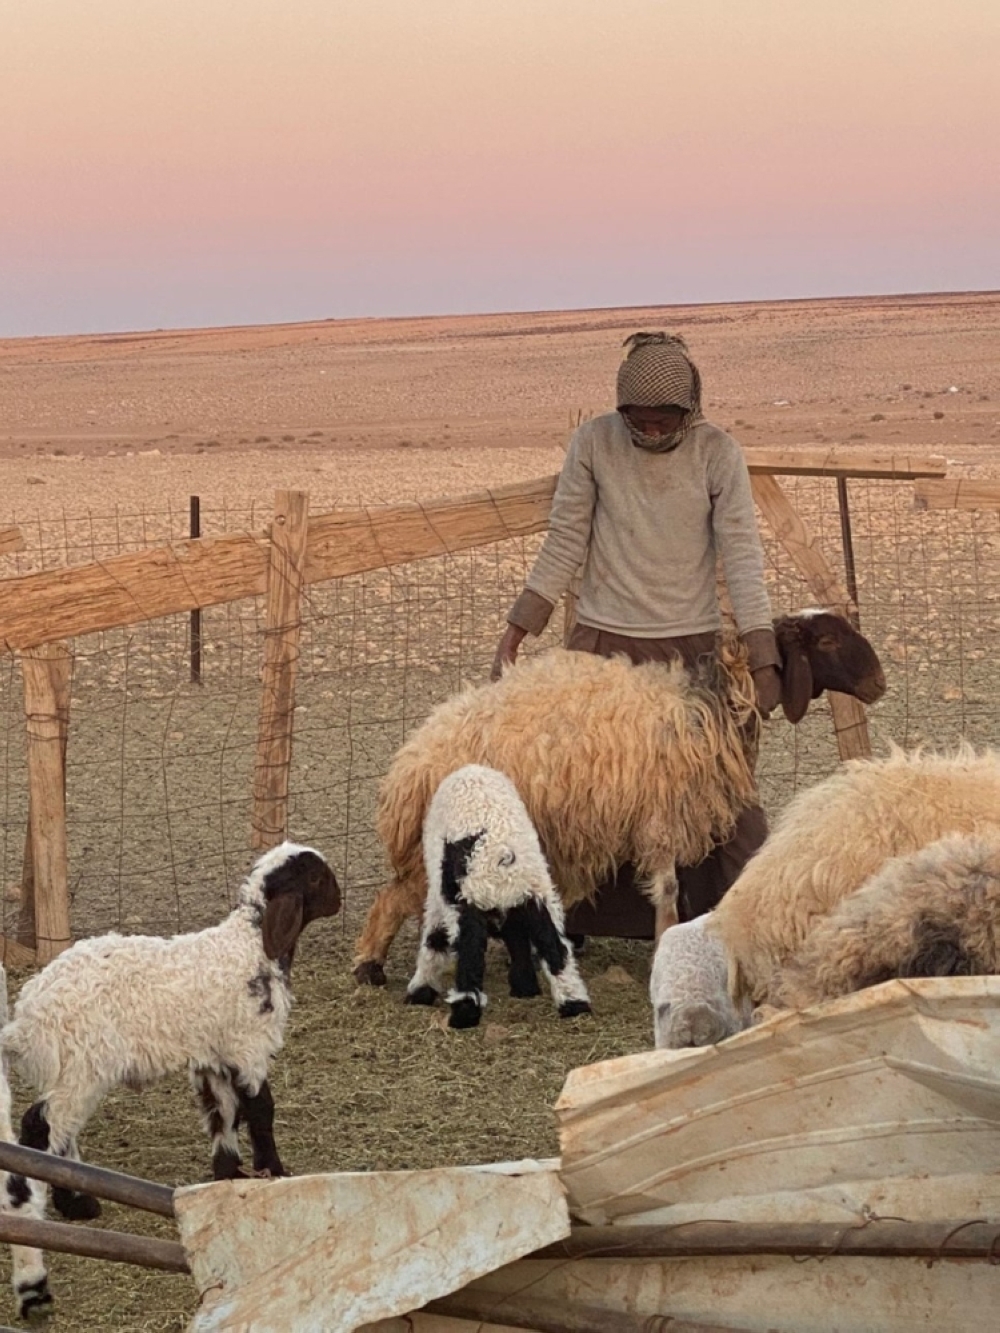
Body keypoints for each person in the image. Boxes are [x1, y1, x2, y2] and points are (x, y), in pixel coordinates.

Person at [490, 331, 781, 923]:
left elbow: (742, 554)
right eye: (637, 420)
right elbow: (566, 537)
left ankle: (746, 918)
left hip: (689, 654)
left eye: (662, 420)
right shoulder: (595, 442)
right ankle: (576, 920)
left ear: (689, 408)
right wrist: (519, 627)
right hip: (603, 648)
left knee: (717, 792)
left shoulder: (717, 452)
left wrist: (763, 653)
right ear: (620, 409)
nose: (649, 430)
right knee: (592, 791)